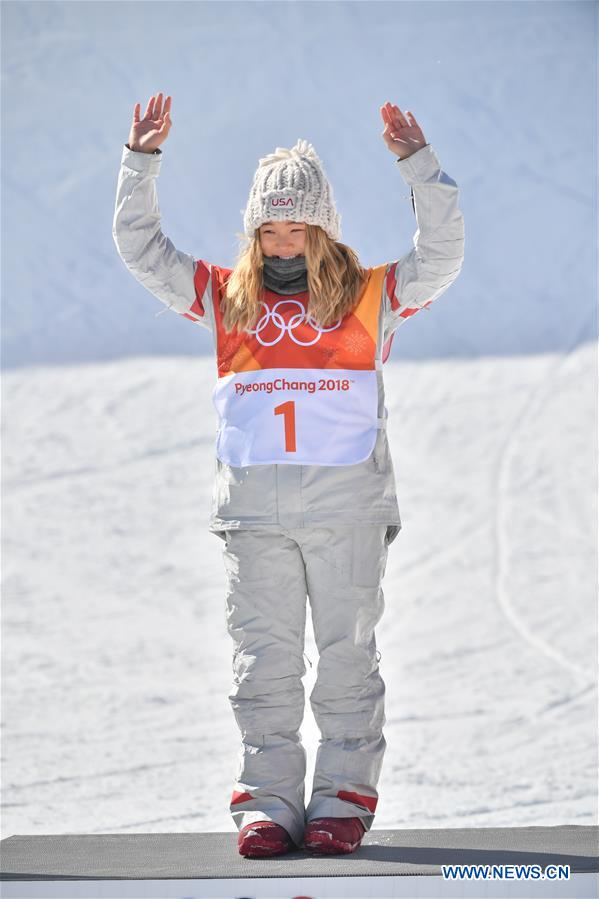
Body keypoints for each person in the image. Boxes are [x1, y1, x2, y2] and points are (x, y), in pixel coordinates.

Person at [112, 92, 465, 858]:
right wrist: (141, 161)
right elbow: (141, 248)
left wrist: (418, 165)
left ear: (321, 228)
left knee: (345, 658)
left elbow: (440, 255)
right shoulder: (223, 298)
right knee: (261, 662)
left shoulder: (372, 297)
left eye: (295, 225)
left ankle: (342, 797)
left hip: (346, 509)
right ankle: (267, 801)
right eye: (268, 226)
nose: (280, 240)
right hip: (255, 514)